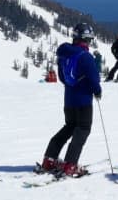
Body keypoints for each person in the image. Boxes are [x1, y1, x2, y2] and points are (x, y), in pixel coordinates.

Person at [39, 23, 102, 177]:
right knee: (83, 129)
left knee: (69, 127)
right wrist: (97, 91)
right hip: (83, 101)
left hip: (69, 100)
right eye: (89, 39)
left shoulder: (64, 54)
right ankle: (70, 165)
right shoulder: (86, 57)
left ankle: (49, 159)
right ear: (86, 39)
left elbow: (62, 77)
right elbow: (94, 79)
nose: (90, 42)